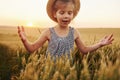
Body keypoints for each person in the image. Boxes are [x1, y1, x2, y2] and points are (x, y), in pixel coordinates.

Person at [18, 0, 114, 58]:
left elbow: (84, 50)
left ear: (73, 14)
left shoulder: (74, 32)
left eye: (69, 13)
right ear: (55, 14)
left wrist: (100, 44)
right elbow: (32, 49)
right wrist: (25, 40)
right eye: (62, 12)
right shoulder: (48, 32)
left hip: (67, 72)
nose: (66, 16)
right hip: (50, 71)